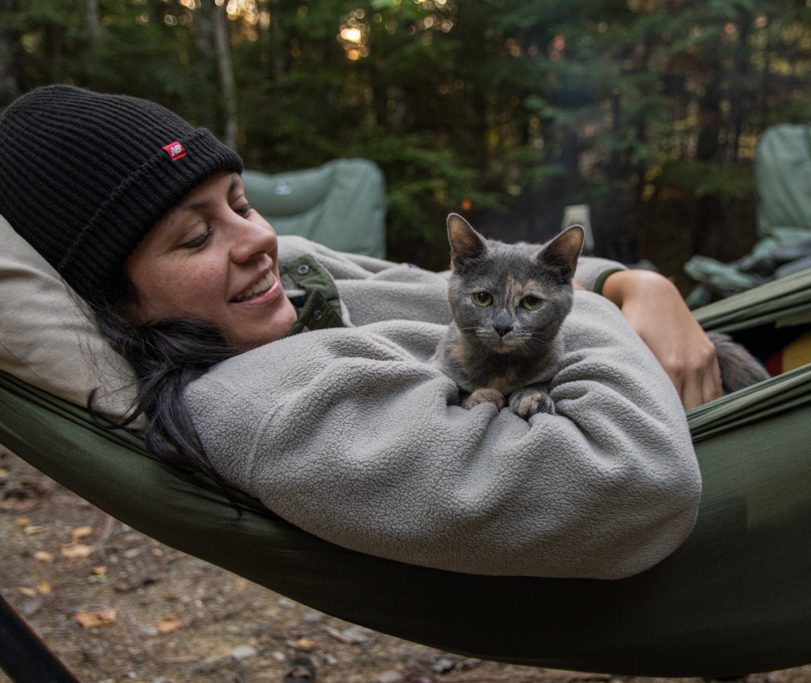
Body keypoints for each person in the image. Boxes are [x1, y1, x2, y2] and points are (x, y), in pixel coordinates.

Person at [0, 85, 719, 579]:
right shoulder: (268, 410)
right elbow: (641, 481)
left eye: (241, 203)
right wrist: (596, 304)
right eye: (194, 238)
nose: (258, 241)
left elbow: (498, 279)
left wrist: (630, 282)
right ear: (119, 305)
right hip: (691, 461)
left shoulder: (288, 276)